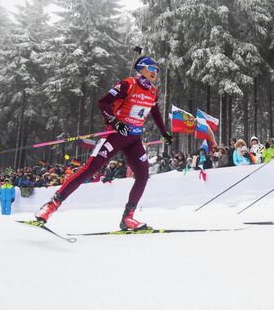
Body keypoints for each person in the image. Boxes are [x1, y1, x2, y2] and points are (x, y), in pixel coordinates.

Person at [34, 56, 173, 231]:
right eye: (152, 68)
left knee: (143, 176)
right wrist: (115, 122)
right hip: (115, 135)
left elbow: (156, 113)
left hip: (134, 139)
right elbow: (103, 103)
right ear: (141, 68)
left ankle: (128, 218)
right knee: (90, 169)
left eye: (157, 70)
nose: (155, 72)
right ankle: (51, 206)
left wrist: (164, 133)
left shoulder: (152, 91)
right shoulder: (127, 84)